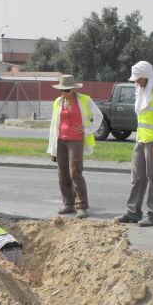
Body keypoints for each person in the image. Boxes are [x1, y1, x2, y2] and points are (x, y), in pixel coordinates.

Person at [115, 61, 153, 227]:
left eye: (139, 78)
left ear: (147, 76)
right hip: (141, 139)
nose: (136, 81)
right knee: (137, 177)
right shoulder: (141, 89)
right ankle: (133, 212)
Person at [47, 75, 102, 219]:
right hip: (60, 140)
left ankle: (82, 205)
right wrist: (52, 147)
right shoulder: (58, 102)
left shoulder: (85, 100)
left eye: (67, 90)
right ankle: (68, 204)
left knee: (75, 172)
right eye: (62, 90)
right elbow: (54, 125)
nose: (64, 93)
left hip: (76, 140)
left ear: (73, 89)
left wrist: (87, 129)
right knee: (62, 172)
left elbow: (98, 116)